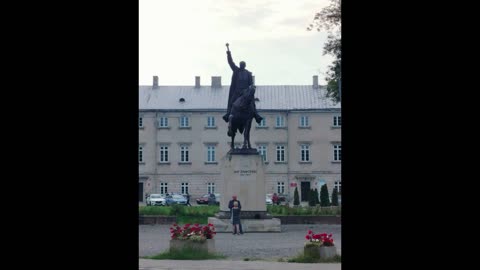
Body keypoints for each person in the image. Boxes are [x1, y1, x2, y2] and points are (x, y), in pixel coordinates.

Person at [222, 44, 263, 124]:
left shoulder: (248, 73)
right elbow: (230, 62)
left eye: (243, 65)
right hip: (237, 92)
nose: (241, 66)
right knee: (231, 101)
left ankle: (256, 114)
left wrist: (251, 88)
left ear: (244, 66)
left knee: (252, 103)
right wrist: (228, 52)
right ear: (240, 65)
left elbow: (251, 83)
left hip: (245, 92)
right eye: (241, 65)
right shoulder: (236, 70)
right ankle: (228, 114)